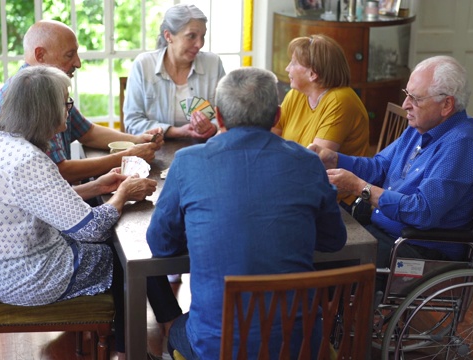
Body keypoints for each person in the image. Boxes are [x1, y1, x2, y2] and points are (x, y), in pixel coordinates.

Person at [146, 67, 347, 359]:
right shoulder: (308, 163)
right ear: (277, 116)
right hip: (299, 347)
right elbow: (333, 241)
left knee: (177, 327)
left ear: (219, 115)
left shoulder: (188, 161)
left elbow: (160, 245)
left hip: (218, 347)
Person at [0, 65, 163, 357]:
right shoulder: (28, 161)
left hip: (0, 269)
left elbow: (40, 201)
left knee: (120, 244)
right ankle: (133, 349)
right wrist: (123, 194)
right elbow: (92, 229)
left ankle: (137, 339)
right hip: (26, 277)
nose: (69, 109)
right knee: (129, 257)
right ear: (45, 110)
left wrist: (97, 187)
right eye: (66, 102)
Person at [308, 55, 473, 282]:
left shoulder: (461, 145)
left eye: (415, 99)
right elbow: (379, 167)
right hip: (386, 232)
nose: (405, 105)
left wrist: (361, 188)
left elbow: (422, 212)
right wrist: (335, 159)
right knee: (312, 239)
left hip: (417, 249)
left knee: (319, 260)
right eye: (407, 95)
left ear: (447, 105)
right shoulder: (420, 127)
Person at [0, 19, 164, 184]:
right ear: (40, 55)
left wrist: (137, 140)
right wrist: (126, 157)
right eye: (69, 55)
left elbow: (87, 132)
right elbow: (59, 171)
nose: (78, 63)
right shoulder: (33, 96)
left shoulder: (47, 86)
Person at [272, 34, 369, 208]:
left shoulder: (340, 101)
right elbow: (272, 137)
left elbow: (315, 164)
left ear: (313, 74)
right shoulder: (297, 94)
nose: (287, 68)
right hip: (298, 186)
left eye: (293, 63)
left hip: (338, 201)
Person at [122, 4, 225, 139]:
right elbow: (132, 123)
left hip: (204, 150)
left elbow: (227, 115)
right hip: (155, 150)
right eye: (191, 36)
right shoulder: (143, 65)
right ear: (168, 36)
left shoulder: (213, 63)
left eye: (203, 36)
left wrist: (213, 127)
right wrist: (175, 131)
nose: (199, 44)